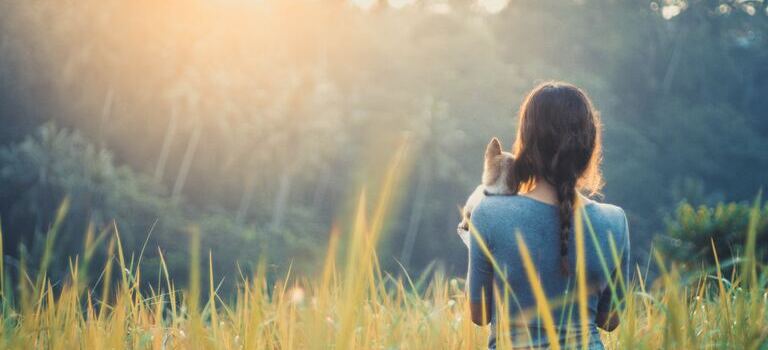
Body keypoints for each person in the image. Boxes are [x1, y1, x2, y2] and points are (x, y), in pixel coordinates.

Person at [466, 82, 630, 349]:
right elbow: (610, 320)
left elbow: (479, 315)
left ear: (527, 145)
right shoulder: (614, 221)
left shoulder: (489, 213)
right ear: (589, 147)